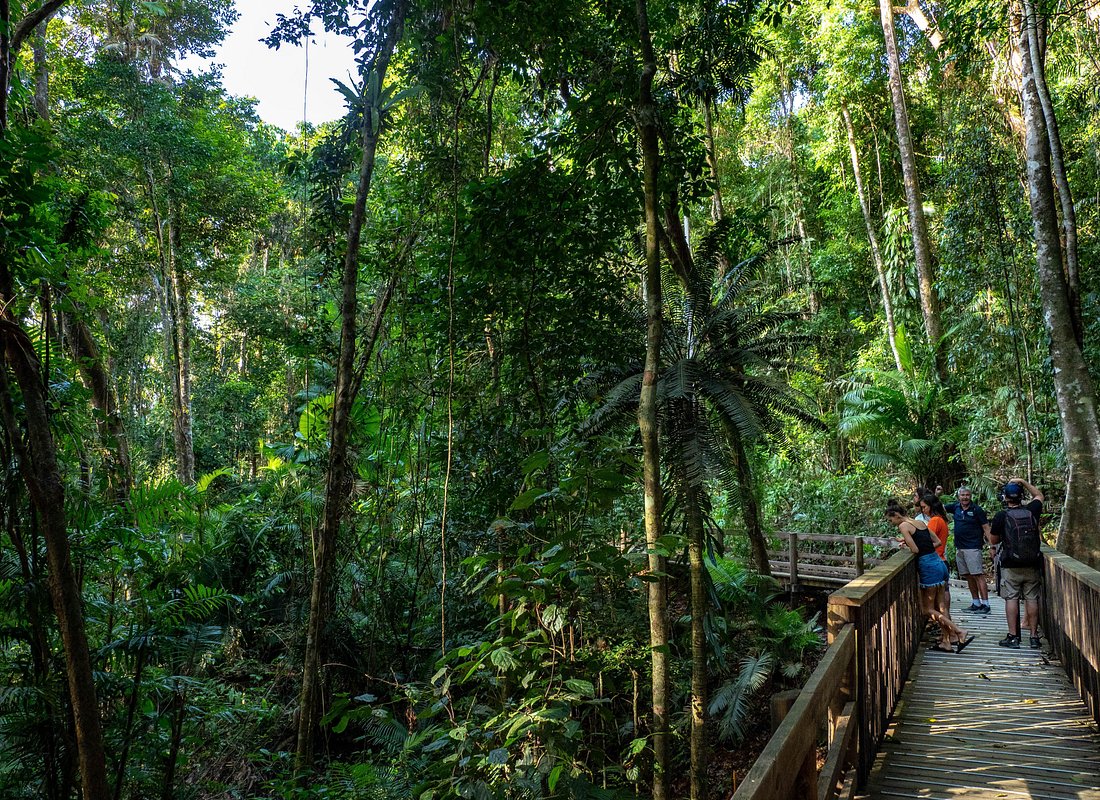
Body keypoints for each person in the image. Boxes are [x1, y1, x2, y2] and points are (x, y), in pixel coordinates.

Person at [885, 502, 973, 653]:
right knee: (941, 607)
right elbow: (937, 542)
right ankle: (946, 641)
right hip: (938, 563)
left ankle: (959, 631)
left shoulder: (903, 526)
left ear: (896, 516)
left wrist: (906, 545)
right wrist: (907, 541)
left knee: (927, 609)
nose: (891, 523)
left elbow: (915, 549)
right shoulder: (920, 522)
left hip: (928, 567)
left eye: (890, 520)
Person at [989, 478, 1045, 649]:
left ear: (1005, 497)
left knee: (1011, 598)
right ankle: (1034, 637)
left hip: (1011, 564)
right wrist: (1023, 482)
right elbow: (1039, 495)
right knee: (1032, 598)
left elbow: (994, 539)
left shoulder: (1001, 516)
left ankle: (1013, 637)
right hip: (1032, 563)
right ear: (1021, 496)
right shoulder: (1031, 510)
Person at [944, 487, 992, 613]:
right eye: (962, 495)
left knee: (978, 575)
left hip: (973, 547)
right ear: (959, 496)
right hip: (960, 547)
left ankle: (985, 604)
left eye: (967, 495)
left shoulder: (977, 510)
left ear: (971, 496)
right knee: (968, 575)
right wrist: (937, 494)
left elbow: (986, 528)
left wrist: (992, 546)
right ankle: (975, 602)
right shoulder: (955, 507)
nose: (965, 497)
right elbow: (937, 507)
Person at [919, 492, 952, 620]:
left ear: (931, 506)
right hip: (942, 561)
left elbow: (925, 540)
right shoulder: (941, 519)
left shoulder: (935, 520)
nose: (923, 510)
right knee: (941, 604)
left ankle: (952, 634)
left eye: (924, 507)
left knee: (937, 607)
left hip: (935, 562)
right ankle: (949, 635)